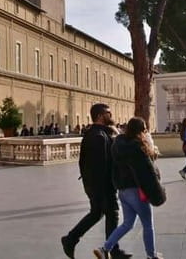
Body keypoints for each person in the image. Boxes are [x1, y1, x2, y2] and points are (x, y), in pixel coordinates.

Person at [62, 103, 131, 259]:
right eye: (108, 113)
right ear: (100, 116)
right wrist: (106, 188)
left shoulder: (100, 133)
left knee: (97, 213)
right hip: (102, 185)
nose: (111, 115)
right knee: (111, 213)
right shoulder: (97, 137)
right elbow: (99, 166)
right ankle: (111, 249)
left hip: (99, 185)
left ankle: (71, 239)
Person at [94, 117, 165, 259]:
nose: (145, 132)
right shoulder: (137, 148)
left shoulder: (118, 145)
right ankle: (152, 256)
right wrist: (157, 192)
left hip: (123, 191)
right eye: (144, 130)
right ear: (139, 131)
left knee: (128, 224)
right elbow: (147, 173)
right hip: (136, 191)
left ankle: (104, 248)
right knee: (147, 225)